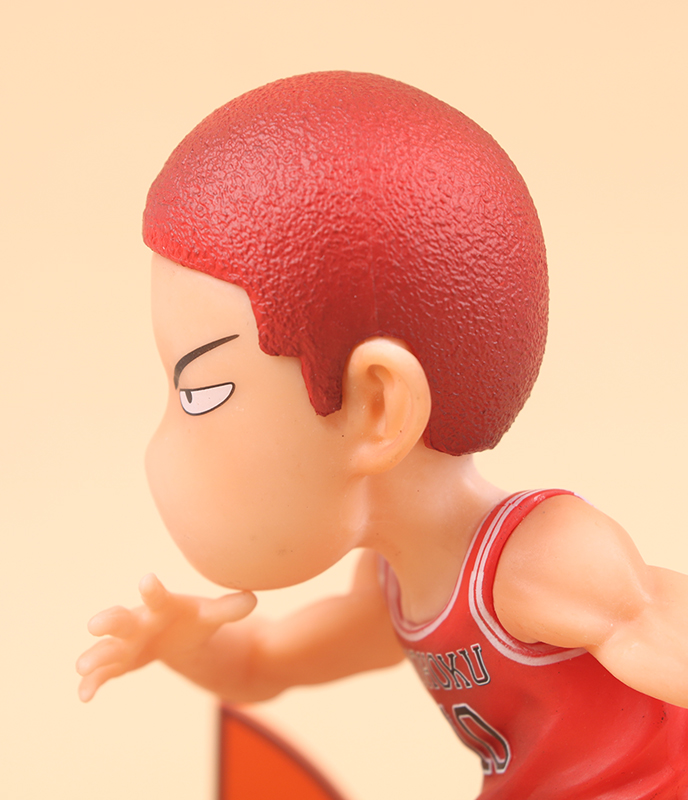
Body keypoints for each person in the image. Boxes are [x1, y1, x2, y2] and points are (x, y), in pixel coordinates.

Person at [77, 72, 688, 797]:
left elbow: (661, 626)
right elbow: (264, 662)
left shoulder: (537, 559)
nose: (159, 448)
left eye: (200, 394)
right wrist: (188, 647)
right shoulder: (394, 584)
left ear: (376, 407)